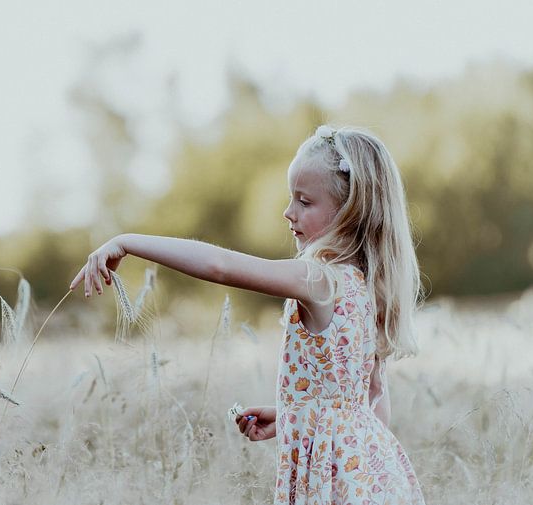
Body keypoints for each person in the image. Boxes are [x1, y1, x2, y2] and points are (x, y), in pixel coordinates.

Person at [69, 124, 426, 504]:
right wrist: (294, 416)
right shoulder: (369, 286)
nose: (288, 212)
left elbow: (219, 266)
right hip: (376, 478)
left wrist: (128, 242)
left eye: (305, 202)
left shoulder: (320, 279)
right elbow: (371, 402)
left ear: (351, 211)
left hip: (333, 488)